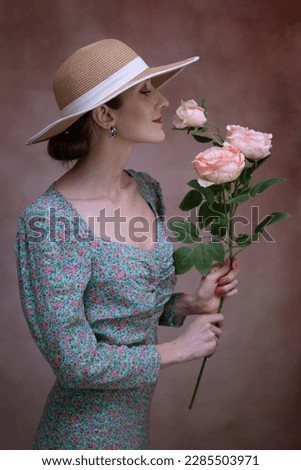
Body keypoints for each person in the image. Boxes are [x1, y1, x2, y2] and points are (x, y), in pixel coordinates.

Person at [15, 39, 239, 450]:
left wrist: (192, 304)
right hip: (82, 439)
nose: (165, 100)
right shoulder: (50, 221)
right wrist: (177, 351)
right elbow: (76, 364)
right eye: (147, 91)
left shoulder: (147, 188)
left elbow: (118, 312)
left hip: (134, 432)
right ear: (104, 114)